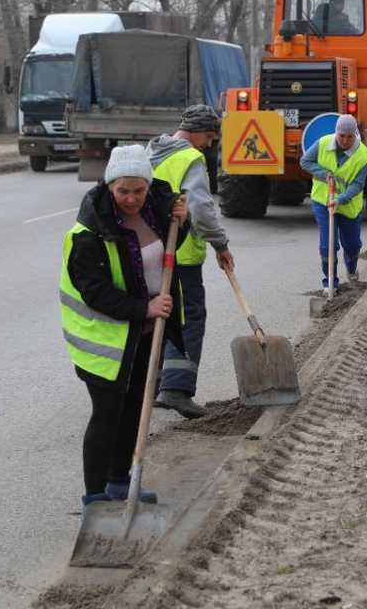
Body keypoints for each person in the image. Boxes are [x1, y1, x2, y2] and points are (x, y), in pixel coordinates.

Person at [60, 144, 189, 509]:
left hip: (144, 332)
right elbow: (94, 291)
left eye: (139, 190)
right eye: (123, 191)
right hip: (103, 339)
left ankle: (119, 482)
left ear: (148, 186)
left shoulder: (157, 209)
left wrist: (184, 217)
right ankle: (96, 498)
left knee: (135, 407)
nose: (131, 199)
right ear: (109, 186)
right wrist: (144, 307)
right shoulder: (89, 231)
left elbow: (170, 245)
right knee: (107, 415)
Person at [147, 104, 233, 419]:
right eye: (209, 137)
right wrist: (220, 244)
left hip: (148, 254)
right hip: (179, 255)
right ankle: (176, 389)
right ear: (196, 132)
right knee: (187, 318)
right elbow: (200, 208)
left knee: (157, 317)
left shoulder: (151, 154)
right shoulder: (190, 159)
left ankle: (154, 385)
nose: (209, 145)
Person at [300, 114, 367, 294]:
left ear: (355, 134)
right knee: (328, 245)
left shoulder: (364, 156)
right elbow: (305, 161)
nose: (345, 140)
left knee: (352, 245)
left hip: (348, 206)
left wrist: (340, 199)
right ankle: (330, 282)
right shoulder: (323, 143)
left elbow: (357, 185)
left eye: (349, 136)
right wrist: (324, 173)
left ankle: (352, 268)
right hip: (323, 201)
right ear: (336, 133)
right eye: (341, 136)